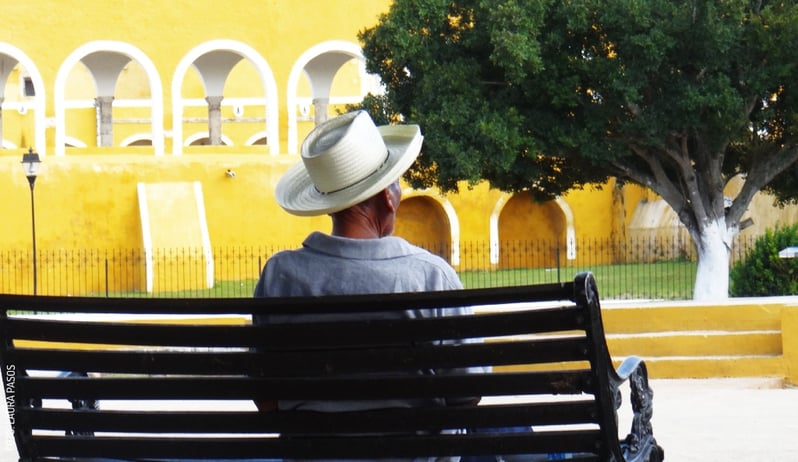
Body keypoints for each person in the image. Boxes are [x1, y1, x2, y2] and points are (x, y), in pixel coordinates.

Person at [253, 110, 479, 442]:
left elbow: (266, 398)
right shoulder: (431, 276)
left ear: (327, 202)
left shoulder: (279, 276)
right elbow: (468, 394)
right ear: (388, 198)